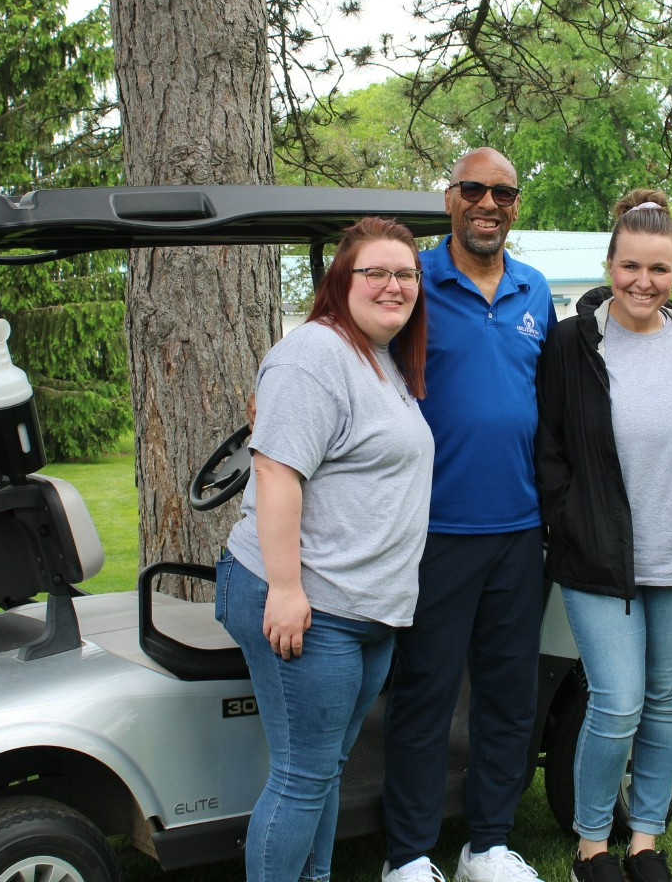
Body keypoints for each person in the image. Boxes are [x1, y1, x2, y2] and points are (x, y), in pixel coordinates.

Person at [217, 217, 435, 882]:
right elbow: (277, 472)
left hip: (366, 607)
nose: (393, 285)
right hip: (309, 601)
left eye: (405, 274)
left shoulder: (377, 358)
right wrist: (285, 589)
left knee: (325, 769)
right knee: (304, 772)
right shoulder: (314, 355)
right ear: (341, 281)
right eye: (376, 272)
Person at [534, 190, 672, 882]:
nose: (644, 281)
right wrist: (569, 518)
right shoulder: (570, 343)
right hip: (598, 561)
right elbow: (547, 444)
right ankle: (592, 847)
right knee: (616, 702)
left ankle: (645, 842)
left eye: (660, 269)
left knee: (668, 703)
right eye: (631, 266)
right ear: (609, 264)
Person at [381, 147, 557, 882]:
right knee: (424, 696)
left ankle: (487, 844)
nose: (489, 204)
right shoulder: (412, 279)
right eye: (475, 189)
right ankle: (409, 856)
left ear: (517, 206)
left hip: (519, 532)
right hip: (434, 532)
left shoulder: (534, 288)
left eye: (504, 194)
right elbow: (347, 344)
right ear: (450, 197)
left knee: (509, 696)